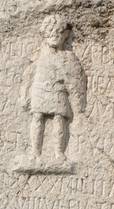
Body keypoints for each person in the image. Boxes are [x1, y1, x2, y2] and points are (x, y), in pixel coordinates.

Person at [20, 15, 86, 163]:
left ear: (65, 35)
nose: (55, 35)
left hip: (58, 91)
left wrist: (78, 102)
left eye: (59, 31)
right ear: (44, 33)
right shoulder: (39, 55)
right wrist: (25, 95)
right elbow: (29, 75)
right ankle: (35, 152)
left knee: (59, 119)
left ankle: (58, 152)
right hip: (39, 89)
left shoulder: (68, 56)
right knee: (37, 117)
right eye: (50, 31)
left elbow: (75, 77)